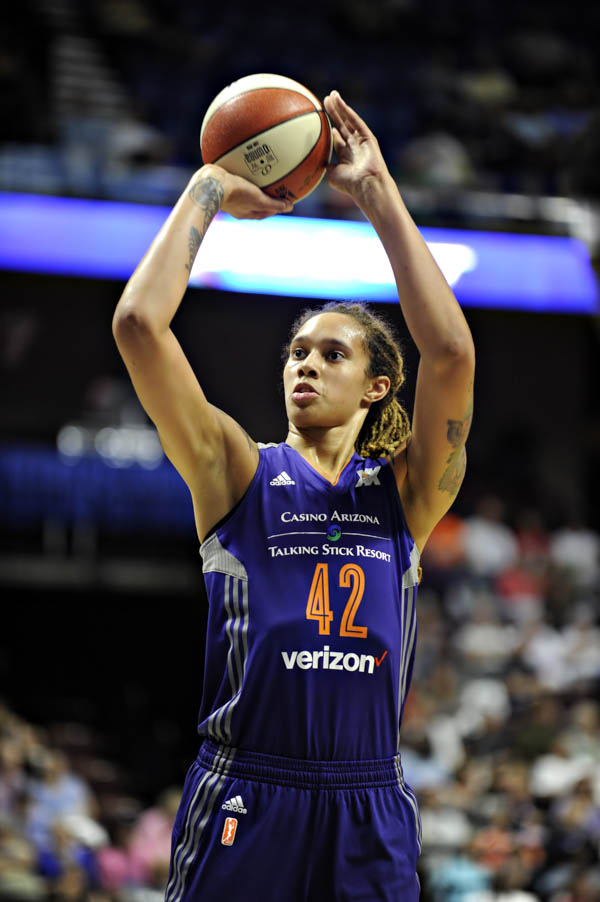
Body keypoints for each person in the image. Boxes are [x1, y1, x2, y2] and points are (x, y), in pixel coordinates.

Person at [112, 90, 475, 901]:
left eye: (332, 354)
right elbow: (140, 325)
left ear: (380, 386)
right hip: (249, 788)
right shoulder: (238, 470)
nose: (304, 363)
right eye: (296, 352)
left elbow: (449, 352)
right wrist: (207, 188)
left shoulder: (404, 498)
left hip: (368, 803)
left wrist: (377, 195)